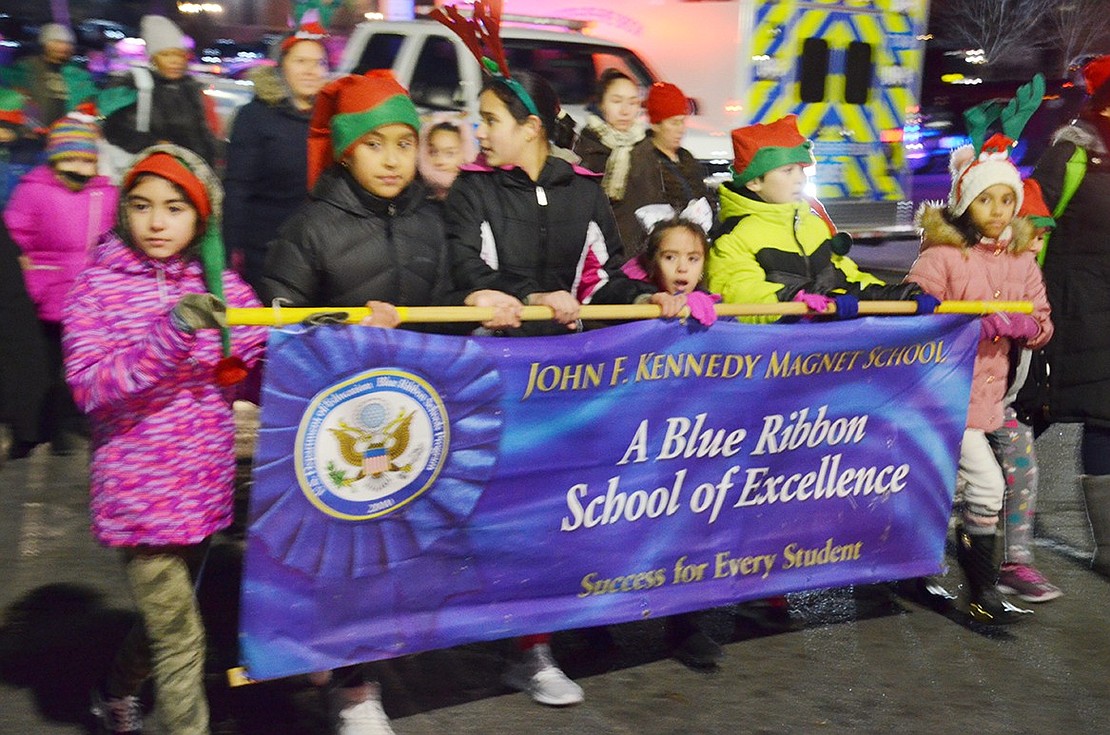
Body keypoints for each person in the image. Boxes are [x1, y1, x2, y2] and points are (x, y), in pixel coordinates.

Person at [442, 53, 660, 701]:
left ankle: (532, 649)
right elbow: (466, 273)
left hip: (565, 386)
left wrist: (648, 297)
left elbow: (606, 278)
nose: (480, 131)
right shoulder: (472, 191)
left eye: (490, 119)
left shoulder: (583, 190)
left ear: (531, 126)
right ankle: (432, 631)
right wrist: (533, 297)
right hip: (492, 380)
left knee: (544, 519)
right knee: (489, 517)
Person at [62, 144, 267, 734]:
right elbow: (91, 386)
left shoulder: (226, 288)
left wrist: (322, 347)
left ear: (199, 218)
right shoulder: (96, 290)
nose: (157, 222)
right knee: (182, 637)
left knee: (166, 624)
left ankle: (114, 690)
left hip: (202, 489)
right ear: (123, 209)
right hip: (138, 497)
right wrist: (171, 331)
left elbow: (256, 366)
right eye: (143, 206)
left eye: (174, 208)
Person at [259, 69, 439, 735]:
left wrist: (477, 305)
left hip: (411, 420)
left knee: (390, 555)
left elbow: (445, 307)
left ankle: (343, 661)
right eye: (375, 144)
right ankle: (355, 690)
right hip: (335, 428)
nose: (392, 159)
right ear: (345, 150)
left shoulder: (431, 220)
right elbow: (278, 328)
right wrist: (344, 329)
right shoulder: (310, 229)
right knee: (346, 555)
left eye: (403, 143)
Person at [906, 132, 1053, 625]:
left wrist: (1026, 325)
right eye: (985, 198)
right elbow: (913, 319)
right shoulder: (941, 257)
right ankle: (981, 594)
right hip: (943, 394)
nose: (997, 209)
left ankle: (935, 576)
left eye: (1007, 199)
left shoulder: (1022, 259)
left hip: (990, 393)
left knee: (947, 487)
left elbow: (1043, 321)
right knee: (987, 485)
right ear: (966, 203)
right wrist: (964, 322)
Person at [706, 115, 926, 323]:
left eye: (801, 170)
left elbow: (847, 279)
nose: (799, 179)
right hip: (772, 356)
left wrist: (901, 297)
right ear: (754, 182)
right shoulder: (734, 237)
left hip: (819, 354)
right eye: (787, 171)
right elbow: (742, 295)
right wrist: (800, 302)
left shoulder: (811, 224)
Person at [1031, 54, 1110, 577]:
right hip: (1065, 306)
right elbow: (1031, 224)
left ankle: (1107, 548)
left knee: (1105, 419)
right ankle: (979, 507)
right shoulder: (1073, 153)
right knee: (1025, 412)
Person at [4, 112, 117, 456]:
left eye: (86, 160)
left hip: (85, 297)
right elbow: (14, 238)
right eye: (70, 159)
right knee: (41, 367)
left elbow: (111, 239)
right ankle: (33, 427)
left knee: (76, 367)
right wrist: (31, 273)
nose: (78, 169)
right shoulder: (34, 191)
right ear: (54, 159)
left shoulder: (105, 195)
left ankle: (65, 425)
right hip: (45, 294)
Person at [989, 178, 1062, 603]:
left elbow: (1043, 323)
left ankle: (1016, 562)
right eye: (1033, 235)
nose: (1037, 246)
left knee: (1024, 469)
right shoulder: (974, 259)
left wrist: (1030, 326)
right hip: (960, 402)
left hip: (1005, 403)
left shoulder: (1028, 270)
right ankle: (915, 559)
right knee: (959, 486)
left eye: (1042, 237)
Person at [223, 22, 330, 293]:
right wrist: (228, 252)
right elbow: (237, 188)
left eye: (318, 62)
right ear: (282, 66)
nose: (311, 70)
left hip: (323, 250)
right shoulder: (256, 117)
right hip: (268, 249)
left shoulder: (332, 118)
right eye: (301, 61)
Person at [101, 15, 220, 170]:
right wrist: (154, 145)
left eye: (179, 54)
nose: (175, 61)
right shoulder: (135, 84)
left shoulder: (191, 89)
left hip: (189, 174)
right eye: (166, 54)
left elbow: (203, 137)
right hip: (149, 173)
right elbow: (113, 129)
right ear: (153, 58)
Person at [614, 82, 709, 255]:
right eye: (674, 123)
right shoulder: (640, 161)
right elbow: (631, 222)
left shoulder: (687, 160)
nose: (681, 129)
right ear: (656, 124)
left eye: (682, 122)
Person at [0, 23, 97, 130]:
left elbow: (90, 100)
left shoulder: (78, 74)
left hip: (68, 134)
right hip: (32, 133)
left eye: (68, 43)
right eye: (57, 42)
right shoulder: (27, 68)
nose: (63, 47)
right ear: (45, 44)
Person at [574, 69, 646, 204]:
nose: (625, 111)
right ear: (601, 104)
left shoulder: (646, 146)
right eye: (617, 101)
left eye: (632, 103)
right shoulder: (586, 148)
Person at [417, 117, 476, 200]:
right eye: (433, 152)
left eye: (450, 153)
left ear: (466, 154)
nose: (440, 161)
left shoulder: (475, 193)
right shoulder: (416, 191)